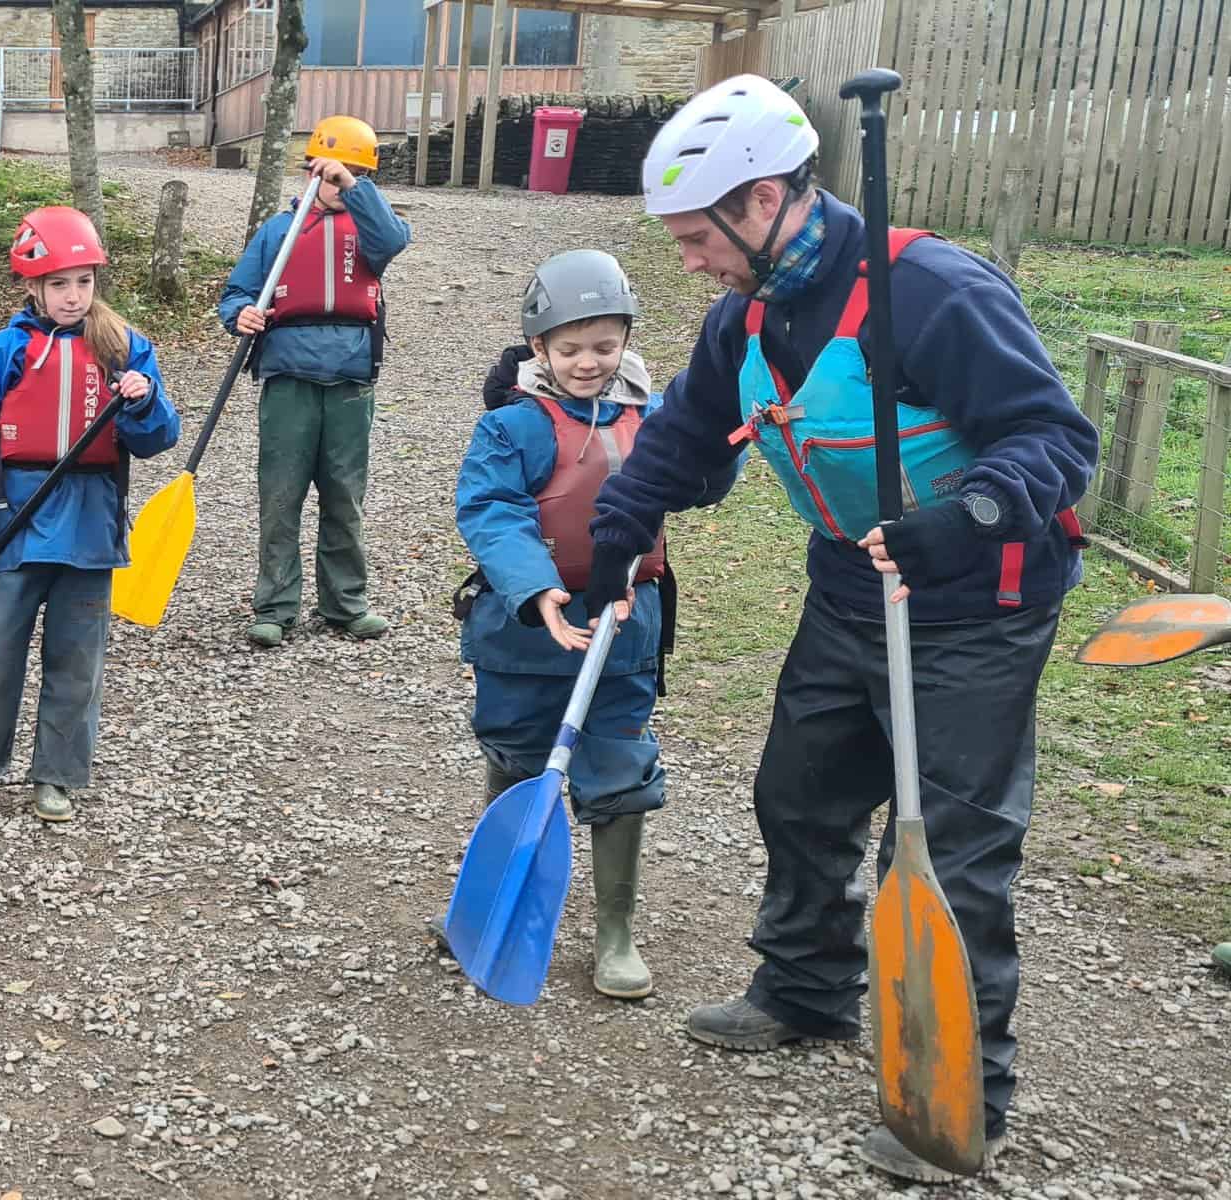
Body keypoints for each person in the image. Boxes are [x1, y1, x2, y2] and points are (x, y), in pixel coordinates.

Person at [587, 74, 1097, 1182]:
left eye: (697, 238)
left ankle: (964, 1099)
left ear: (763, 201)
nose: (691, 262)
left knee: (956, 851)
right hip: (850, 588)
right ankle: (807, 991)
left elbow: (1057, 440)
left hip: (978, 601)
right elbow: (682, 435)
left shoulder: (932, 290)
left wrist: (967, 517)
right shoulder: (748, 314)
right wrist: (624, 521)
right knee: (800, 793)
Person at [452, 249, 737, 999]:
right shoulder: (512, 425)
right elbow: (490, 510)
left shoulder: (655, 418)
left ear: (626, 341)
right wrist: (536, 587)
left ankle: (615, 931)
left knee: (618, 767)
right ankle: (492, 903)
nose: (588, 363)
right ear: (539, 347)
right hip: (523, 629)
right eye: (571, 348)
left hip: (623, 623)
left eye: (605, 347)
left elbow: (700, 485)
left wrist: (720, 450)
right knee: (517, 754)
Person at [0, 206, 181, 824]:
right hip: (17, 524)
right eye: (59, 284)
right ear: (33, 286)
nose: (73, 296)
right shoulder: (2, 352)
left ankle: (57, 775)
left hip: (91, 526)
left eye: (83, 282)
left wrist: (144, 401)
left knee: (76, 660)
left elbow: (158, 438)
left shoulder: (124, 348)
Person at [218, 115, 411, 648]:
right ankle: (275, 606)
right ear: (310, 173)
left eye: (356, 175)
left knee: (344, 495)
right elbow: (237, 293)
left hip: (349, 382)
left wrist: (353, 187)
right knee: (281, 496)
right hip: (289, 380)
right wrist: (239, 315)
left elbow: (393, 241)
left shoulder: (372, 229)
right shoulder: (278, 231)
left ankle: (346, 603)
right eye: (334, 173)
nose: (342, 183)